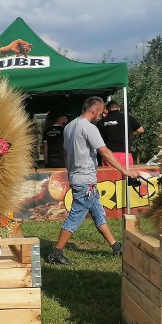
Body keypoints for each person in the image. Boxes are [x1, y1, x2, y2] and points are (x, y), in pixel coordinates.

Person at [47, 96, 140, 265]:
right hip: (86, 180)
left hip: (78, 177)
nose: (102, 115)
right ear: (94, 110)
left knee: (98, 213)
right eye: (101, 111)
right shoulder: (89, 128)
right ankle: (56, 253)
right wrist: (125, 171)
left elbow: (66, 153)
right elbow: (104, 152)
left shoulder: (69, 127)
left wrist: (71, 172)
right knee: (76, 216)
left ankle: (116, 247)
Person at [97, 101, 144, 166]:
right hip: (125, 154)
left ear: (107, 109)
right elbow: (141, 130)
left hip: (109, 155)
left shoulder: (101, 122)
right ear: (119, 108)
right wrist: (128, 133)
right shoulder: (127, 118)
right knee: (126, 175)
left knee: (110, 176)